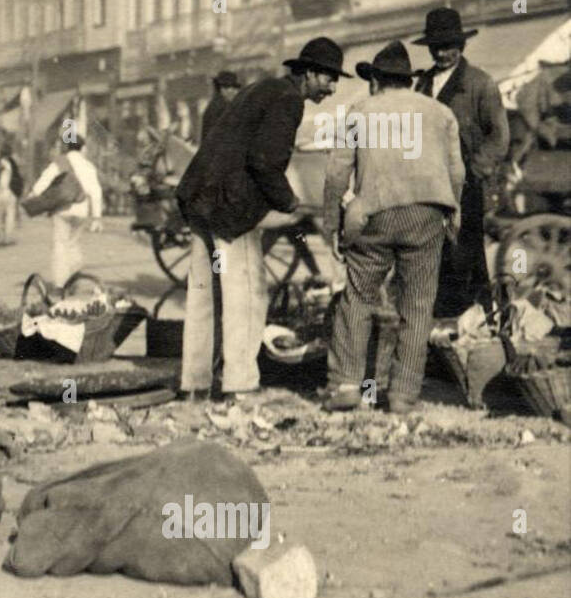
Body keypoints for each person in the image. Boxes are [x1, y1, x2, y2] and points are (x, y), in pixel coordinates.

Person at [175, 36, 345, 402]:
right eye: (329, 79)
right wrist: (288, 200)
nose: (332, 88)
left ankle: (194, 383)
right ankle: (240, 383)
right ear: (310, 74)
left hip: (200, 201)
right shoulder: (288, 101)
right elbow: (263, 162)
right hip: (230, 211)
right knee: (249, 295)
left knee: (202, 295)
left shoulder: (261, 89)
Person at [323, 41, 466, 414]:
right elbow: (457, 172)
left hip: (375, 214)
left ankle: (347, 387)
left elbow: (338, 171)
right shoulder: (440, 113)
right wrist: (454, 211)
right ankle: (402, 394)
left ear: (375, 82)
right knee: (418, 305)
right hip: (426, 214)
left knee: (358, 297)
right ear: (409, 80)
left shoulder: (359, 112)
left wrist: (329, 223)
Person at [411, 7, 510, 318]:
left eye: (449, 46)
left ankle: (473, 318)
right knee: (434, 251)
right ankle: (444, 321)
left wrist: (474, 172)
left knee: (465, 253)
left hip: (466, 184)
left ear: (461, 45)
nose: (443, 53)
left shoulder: (480, 83)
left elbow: (499, 136)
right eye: (437, 47)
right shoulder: (422, 84)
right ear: (429, 49)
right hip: (429, 182)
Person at [26, 132, 105, 286]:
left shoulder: (60, 162)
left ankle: (61, 282)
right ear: (82, 148)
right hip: (82, 210)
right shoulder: (88, 166)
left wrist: (33, 194)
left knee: (60, 244)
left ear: (67, 146)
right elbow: (96, 191)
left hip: (62, 210)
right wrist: (97, 217)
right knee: (74, 243)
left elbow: (44, 179)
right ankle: (74, 277)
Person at [0, 145, 22, 245]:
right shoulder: (13, 164)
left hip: (0, 192)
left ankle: (0, 237)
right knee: (10, 215)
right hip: (11, 192)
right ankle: (8, 237)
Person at [202, 71, 241, 144]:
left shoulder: (219, 103)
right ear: (222, 89)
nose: (235, 92)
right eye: (232, 88)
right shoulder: (220, 107)